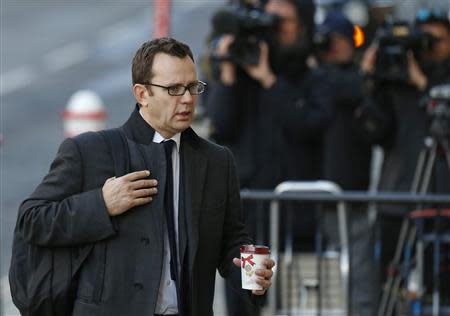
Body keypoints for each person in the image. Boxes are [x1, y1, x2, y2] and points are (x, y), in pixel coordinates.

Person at [15, 37, 275, 316]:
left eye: (192, 87)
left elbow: (231, 240)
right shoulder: (90, 151)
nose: (187, 99)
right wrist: (101, 204)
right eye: (174, 89)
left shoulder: (217, 160)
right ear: (142, 94)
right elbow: (32, 219)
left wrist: (252, 279)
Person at [206, 0, 331, 314]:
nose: (276, 29)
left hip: (297, 219)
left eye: (283, 21)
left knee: (300, 306)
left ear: (302, 26)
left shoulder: (309, 77)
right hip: (251, 219)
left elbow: (309, 125)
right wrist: (230, 71)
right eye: (270, 20)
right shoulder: (241, 73)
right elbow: (220, 125)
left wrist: (269, 80)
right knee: (249, 298)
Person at [360, 7, 450, 303]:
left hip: (440, 202)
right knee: (391, 290)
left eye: (435, 40)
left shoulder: (438, 82)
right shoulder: (394, 79)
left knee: (436, 293)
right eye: (423, 39)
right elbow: (373, 132)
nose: (428, 46)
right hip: (396, 201)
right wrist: (371, 82)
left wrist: (423, 85)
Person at [315, 11, 379, 316]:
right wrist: (364, 76)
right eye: (331, 39)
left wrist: (366, 76)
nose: (337, 46)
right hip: (314, 192)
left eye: (343, 39)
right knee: (318, 273)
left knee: (359, 272)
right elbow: (340, 87)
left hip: (352, 193)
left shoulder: (361, 80)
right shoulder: (316, 76)